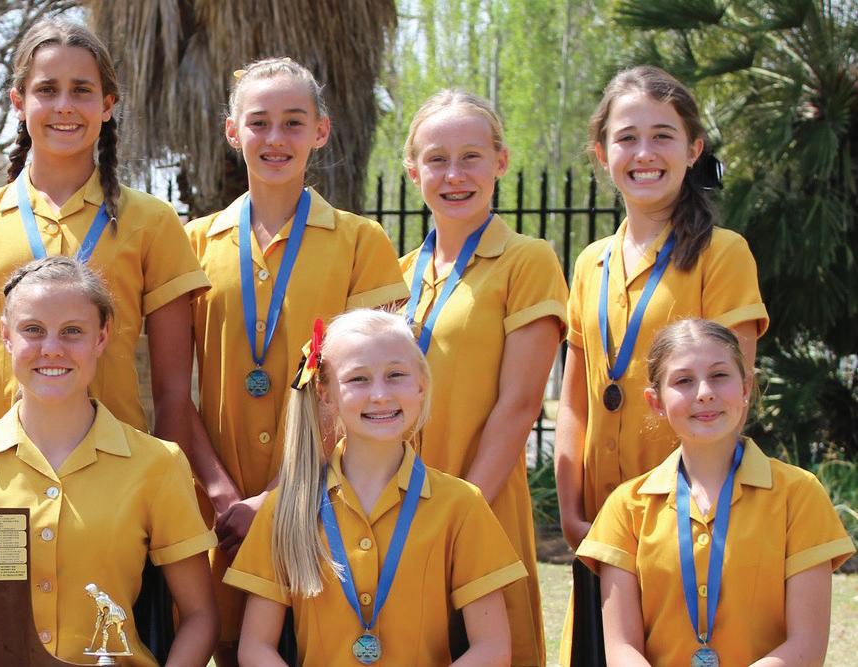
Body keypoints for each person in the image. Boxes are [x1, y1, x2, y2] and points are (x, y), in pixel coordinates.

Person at [185, 57, 407, 662]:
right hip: (220, 516)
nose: (275, 138)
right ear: (233, 132)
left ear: (321, 131)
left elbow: (374, 390)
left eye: (293, 122)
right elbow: (172, 390)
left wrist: (282, 496)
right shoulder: (192, 243)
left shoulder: (362, 243)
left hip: (326, 502)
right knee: (231, 644)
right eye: (259, 122)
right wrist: (225, 498)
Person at [0, 18, 209, 461]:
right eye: (48, 90)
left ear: (107, 105)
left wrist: (165, 486)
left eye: (82, 90)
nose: (65, 106)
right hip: (0, 475)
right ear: (19, 102)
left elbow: (173, 391)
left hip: (119, 475)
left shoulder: (154, 221)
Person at [554, 65, 768, 663]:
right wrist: (571, 512)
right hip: (602, 527)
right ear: (602, 153)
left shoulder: (723, 255)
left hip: (686, 526)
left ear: (693, 149)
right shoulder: (590, 263)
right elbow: (574, 399)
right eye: (626, 137)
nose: (643, 153)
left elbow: (728, 401)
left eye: (662, 136)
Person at [0, 257, 219, 666]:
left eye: (72, 331)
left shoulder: (158, 465)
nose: (52, 348)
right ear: (5, 336)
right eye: (33, 330)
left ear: (102, 337)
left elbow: (199, 616)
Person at [229, 310, 524, 666]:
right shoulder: (285, 509)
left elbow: (492, 648)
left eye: (396, 375)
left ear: (421, 385)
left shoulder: (462, 505)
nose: (381, 395)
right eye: (359, 379)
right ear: (325, 393)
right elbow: (255, 648)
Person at [397, 90, 567, 665]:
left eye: (471, 157)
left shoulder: (528, 260)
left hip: (480, 505)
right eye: (437, 159)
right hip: (394, 509)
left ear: (501, 161)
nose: (454, 175)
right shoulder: (396, 275)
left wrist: (456, 516)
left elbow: (520, 405)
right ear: (413, 170)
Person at [578, 319, 853, 665]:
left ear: (746, 386)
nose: (705, 392)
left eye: (719, 375)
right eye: (683, 381)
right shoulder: (626, 507)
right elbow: (621, 649)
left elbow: (806, 645)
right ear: (655, 401)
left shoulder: (799, 495)